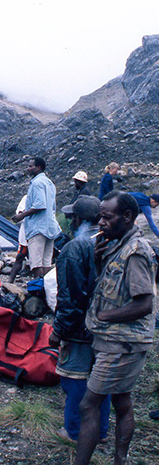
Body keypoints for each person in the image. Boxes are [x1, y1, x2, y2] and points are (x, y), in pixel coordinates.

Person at [74, 191, 156, 465]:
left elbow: (145, 303)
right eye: (100, 217)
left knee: (88, 405)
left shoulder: (136, 251)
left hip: (123, 343)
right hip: (112, 340)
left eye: (107, 217)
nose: (101, 223)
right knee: (122, 401)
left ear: (128, 217)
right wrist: (98, 261)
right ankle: (120, 460)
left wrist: (106, 317)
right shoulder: (116, 244)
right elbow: (110, 286)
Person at [49, 196, 110, 442]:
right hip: (107, 327)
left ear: (76, 219)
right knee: (100, 381)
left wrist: (59, 330)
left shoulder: (74, 248)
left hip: (80, 329)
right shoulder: (112, 240)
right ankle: (102, 431)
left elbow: (70, 297)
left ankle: (74, 431)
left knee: (75, 381)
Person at [12, 157, 61, 277]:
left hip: (38, 227)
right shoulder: (50, 183)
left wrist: (21, 215)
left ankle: (39, 291)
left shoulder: (37, 183)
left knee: (36, 264)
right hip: (50, 227)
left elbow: (40, 205)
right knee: (46, 262)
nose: (28, 168)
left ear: (38, 167)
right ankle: (48, 291)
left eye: (30, 166)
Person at [9, 195, 28, 283]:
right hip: (27, 233)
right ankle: (10, 281)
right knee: (20, 257)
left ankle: (38, 285)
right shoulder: (27, 198)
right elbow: (19, 213)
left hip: (35, 233)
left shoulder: (44, 197)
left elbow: (20, 214)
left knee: (38, 261)